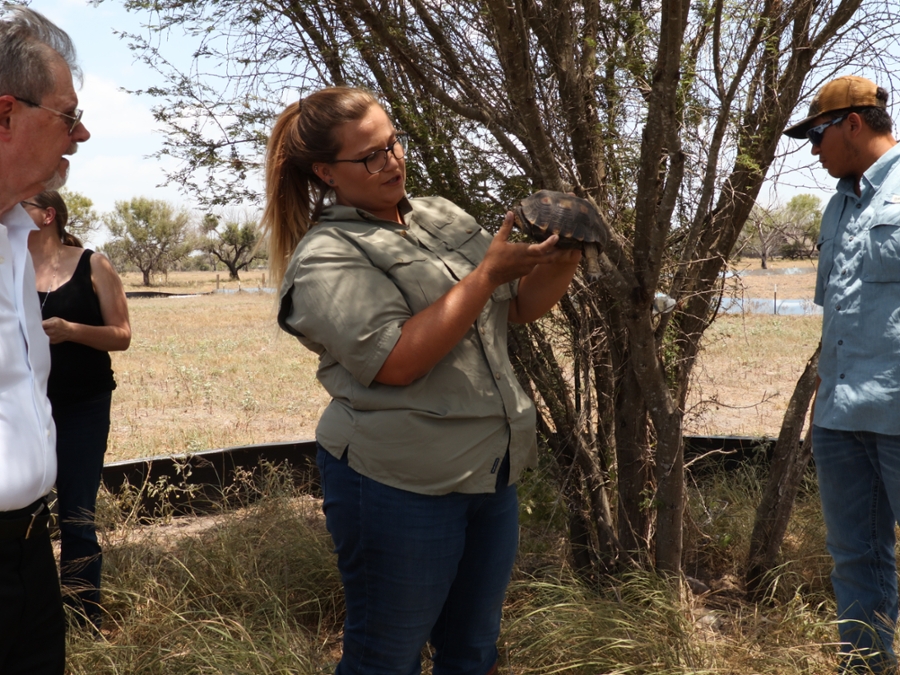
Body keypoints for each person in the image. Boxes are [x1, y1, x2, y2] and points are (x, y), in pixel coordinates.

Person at [263, 87, 581, 674]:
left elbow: (515, 307)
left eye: (393, 143)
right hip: (397, 484)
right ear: (326, 172)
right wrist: (484, 276)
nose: (393, 162)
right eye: (371, 156)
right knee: (385, 657)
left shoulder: (439, 214)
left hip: (488, 473)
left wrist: (562, 257)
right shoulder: (326, 256)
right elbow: (397, 360)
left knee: (473, 650)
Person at [784, 75, 900, 673]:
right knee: (855, 558)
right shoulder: (837, 206)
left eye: (817, 134)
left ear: (854, 122)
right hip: (840, 418)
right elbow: (840, 310)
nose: (813, 149)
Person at [0, 5, 91, 674]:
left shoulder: (13, 239)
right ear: (5, 114)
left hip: (32, 549)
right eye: (67, 116)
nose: (81, 133)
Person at [24, 190, 130, 629]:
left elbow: (122, 335)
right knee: (23, 514)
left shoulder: (93, 264)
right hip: (26, 408)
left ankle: (82, 617)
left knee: (76, 514)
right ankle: (31, 616)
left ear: (48, 216)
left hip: (82, 407)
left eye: (23, 207)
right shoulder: (7, 267)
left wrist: (71, 331)